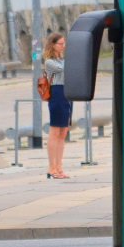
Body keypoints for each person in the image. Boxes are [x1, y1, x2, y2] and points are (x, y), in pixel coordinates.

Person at [43, 32, 72, 179]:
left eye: (64, 43)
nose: (63, 46)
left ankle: (59, 167)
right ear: (53, 45)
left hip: (66, 93)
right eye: (61, 43)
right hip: (57, 93)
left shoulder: (63, 60)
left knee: (63, 132)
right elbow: (65, 69)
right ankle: (51, 167)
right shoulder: (50, 62)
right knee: (54, 131)